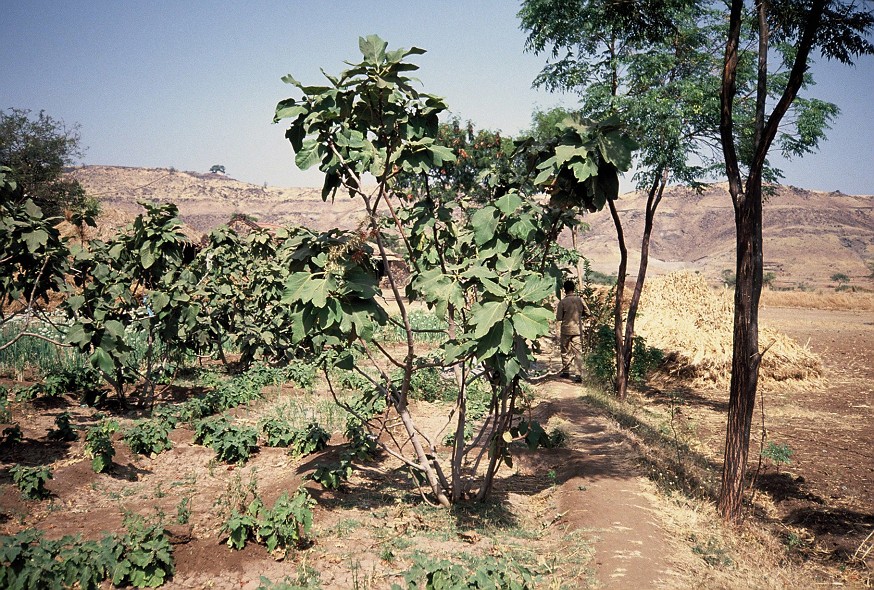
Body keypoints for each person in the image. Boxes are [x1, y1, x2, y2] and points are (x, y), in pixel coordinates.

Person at [555, 279, 590, 382]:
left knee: (565, 350)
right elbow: (588, 312)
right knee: (578, 352)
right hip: (577, 330)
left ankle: (566, 371)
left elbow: (559, 317)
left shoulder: (562, 302)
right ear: (573, 289)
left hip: (566, 329)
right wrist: (579, 314)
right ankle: (578, 375)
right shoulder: (580, 300)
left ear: (565, 290)